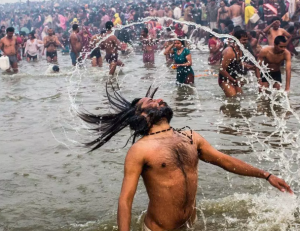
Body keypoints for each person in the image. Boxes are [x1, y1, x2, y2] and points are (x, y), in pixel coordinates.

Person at [78, 84, 293, 231]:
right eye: (151, 102)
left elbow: (224, 161)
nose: (159, 99)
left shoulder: (190, 137)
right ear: (141, 115)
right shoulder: (140, 150)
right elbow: (125, 200)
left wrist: (266, 175)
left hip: (191, 225)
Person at [219, 30, 255, 97]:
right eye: (243, 40)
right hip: (224, 79)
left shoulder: (240, 49)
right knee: (233, 98)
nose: (246, 42)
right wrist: (234, 81)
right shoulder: (229, 52)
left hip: (234, 78)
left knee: (240, 97)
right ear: (236, 40)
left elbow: (239, 62)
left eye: (246, 40)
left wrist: (251, 67)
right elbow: (221, 69)